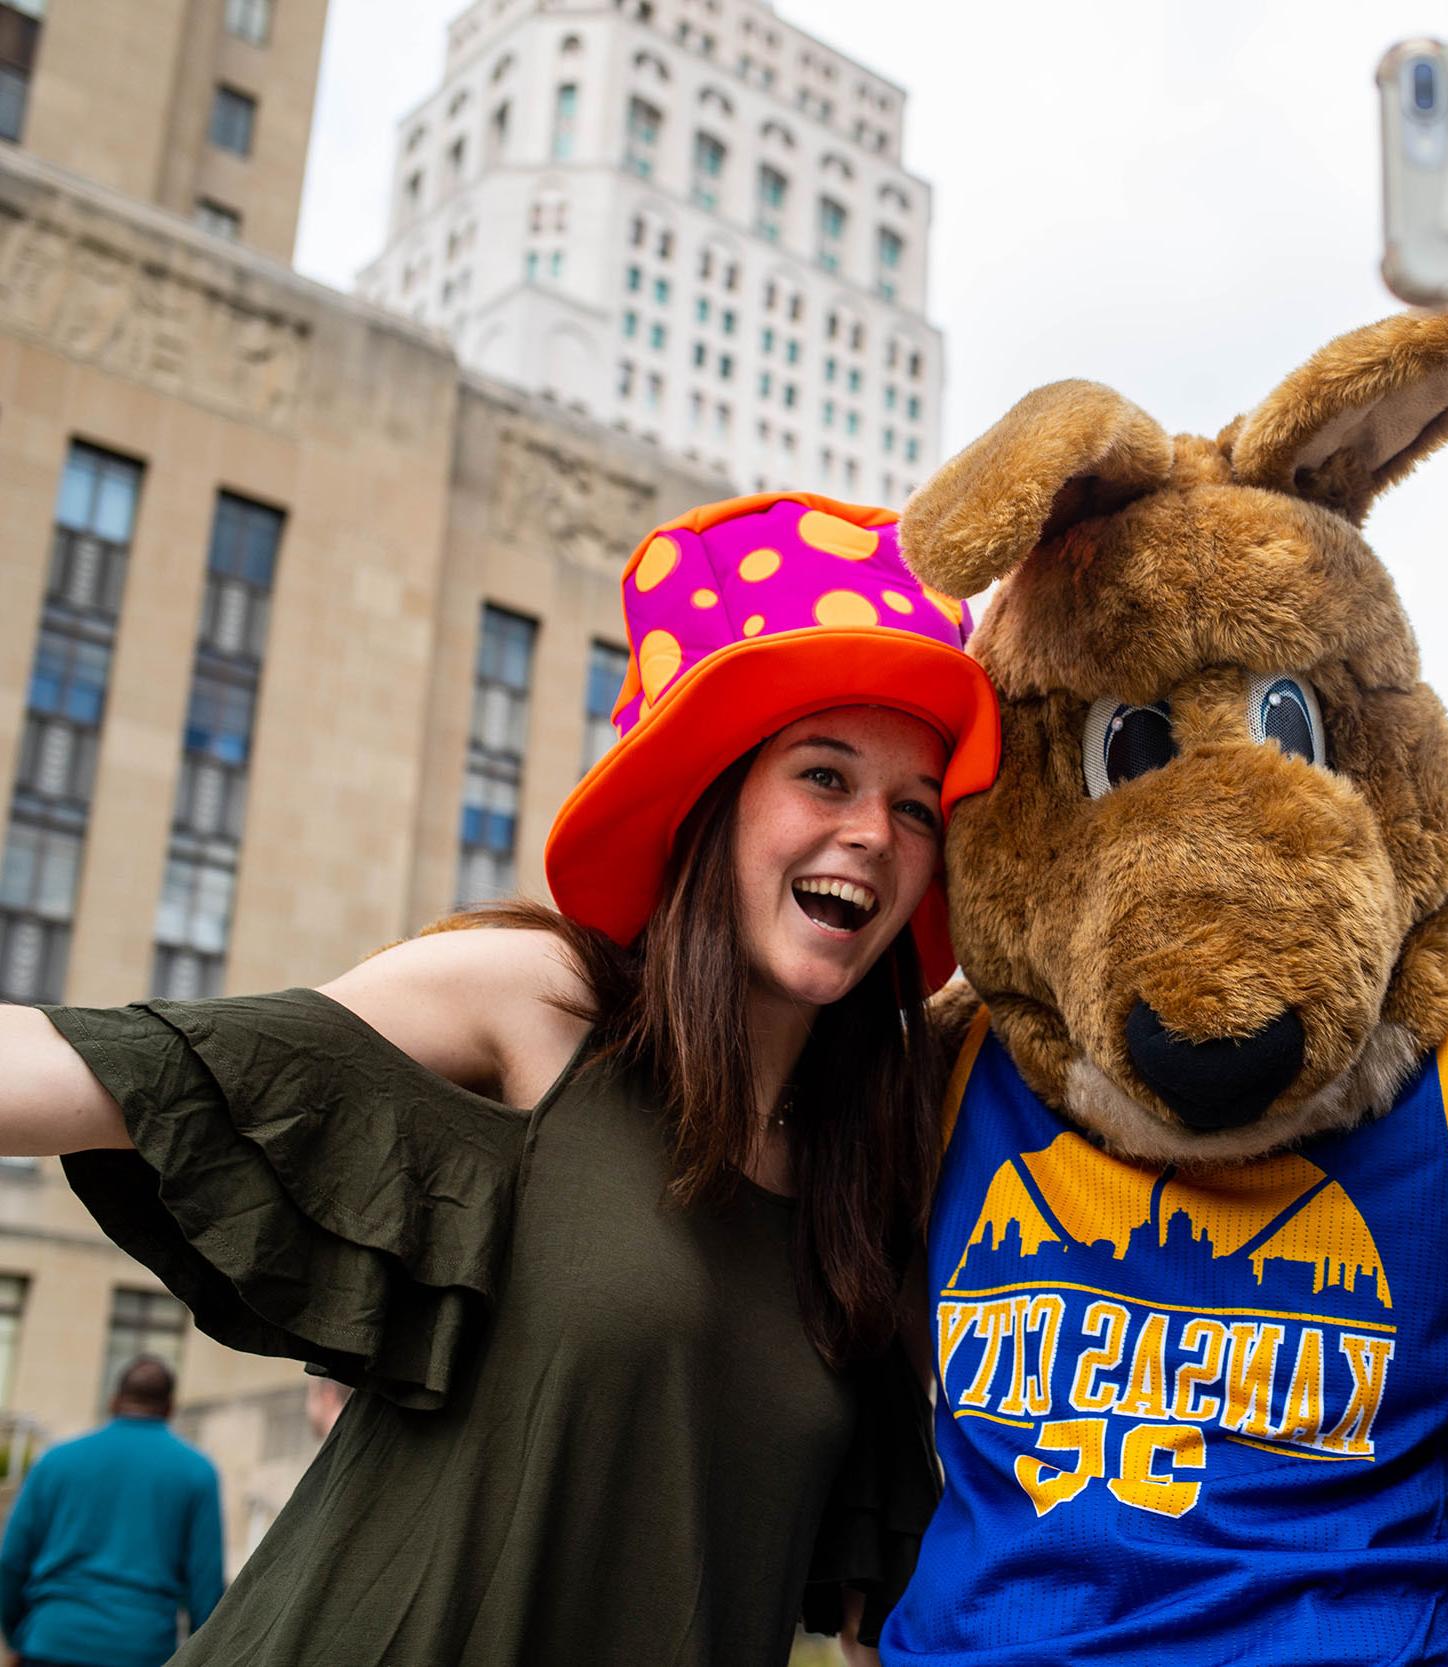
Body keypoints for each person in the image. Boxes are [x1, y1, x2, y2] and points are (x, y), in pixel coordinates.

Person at [0, 493, 999, 1667]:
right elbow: (112, 1066)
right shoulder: (547, 1002)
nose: (875, 831)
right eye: (825, 776)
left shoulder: (872, 1174)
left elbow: (875, 1613)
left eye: (916, 806)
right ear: (717, 799)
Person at [0, 1357, 223, 1667]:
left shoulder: (55, 1462)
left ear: (114, 1400)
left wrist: (18, 1636)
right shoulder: (197, 1472)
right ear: (170, 1408)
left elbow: (10, 1561)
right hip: (141, 1649)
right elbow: (206, 1585)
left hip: (51, 1641)